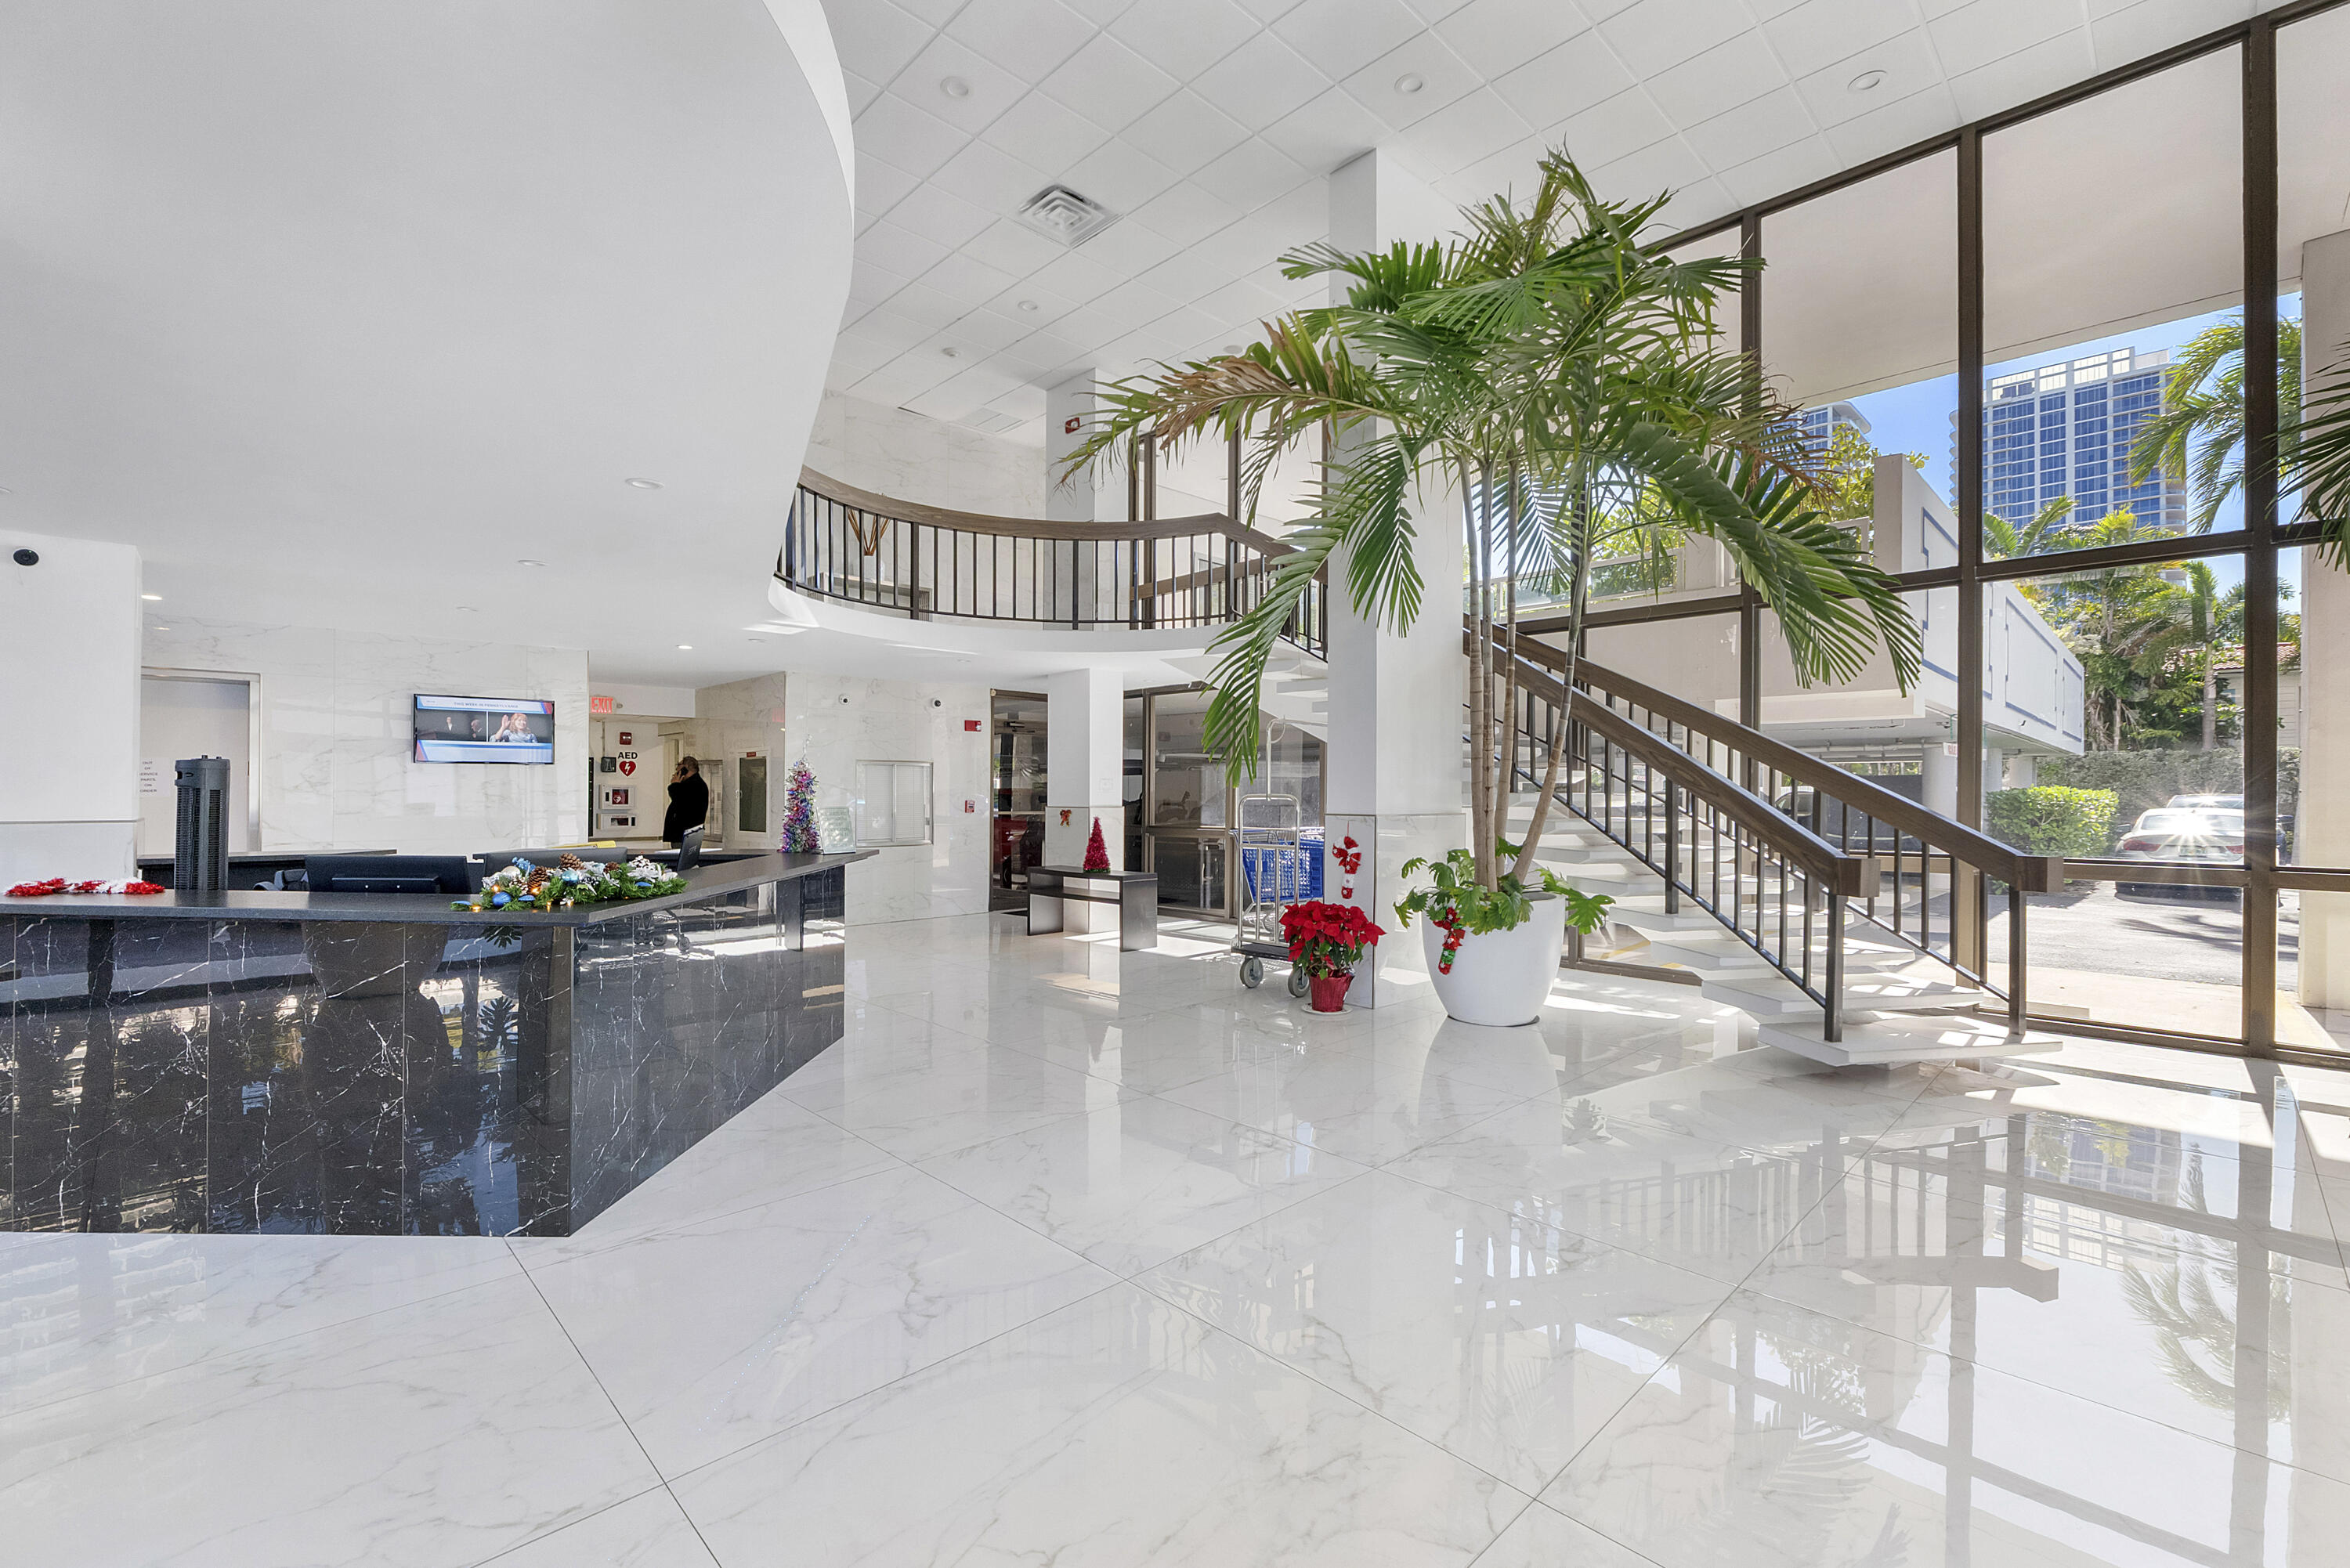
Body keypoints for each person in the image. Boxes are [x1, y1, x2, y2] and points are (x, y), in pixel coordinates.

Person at [663, 756, 709, 846]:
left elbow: (679, 800)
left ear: (686, 767)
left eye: (679, 765)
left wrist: (674, 785)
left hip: (685, 834)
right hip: (686, 834)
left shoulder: (694, 785)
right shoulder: (692, 783)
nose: (676, 769)